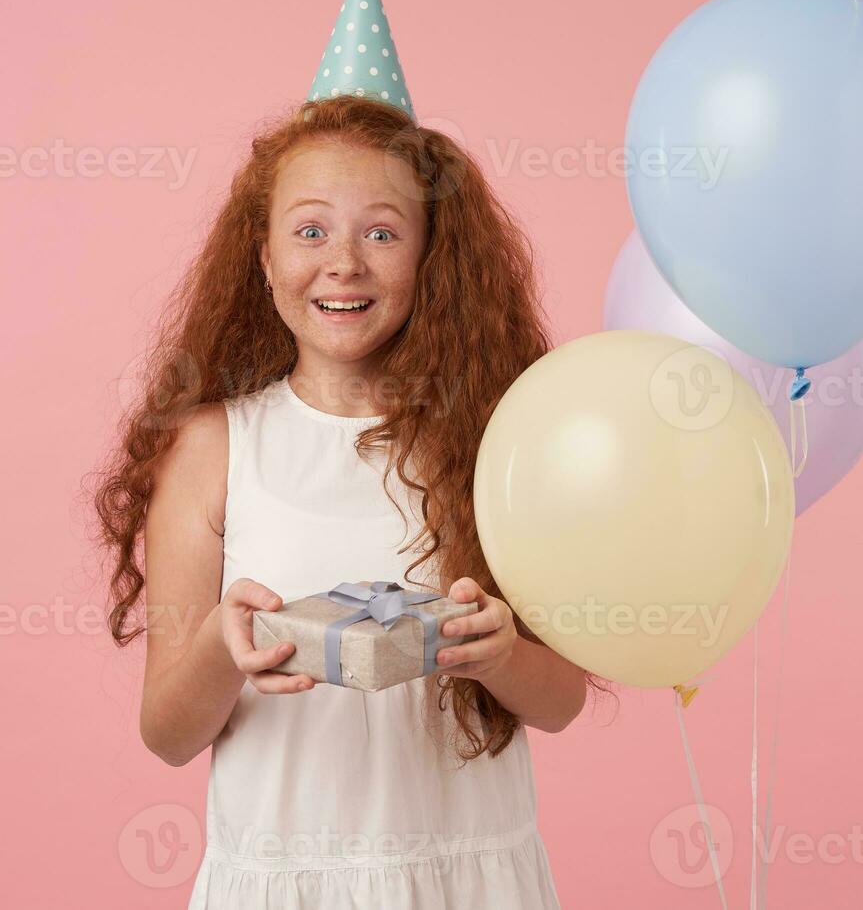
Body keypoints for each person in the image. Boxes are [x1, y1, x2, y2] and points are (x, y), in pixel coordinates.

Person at [92, 93, 608, 907]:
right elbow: (167, 733)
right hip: (285, 879)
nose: (343, 263)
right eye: (310, 230)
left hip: (466, 880)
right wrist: (225, 649)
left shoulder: (493, 443)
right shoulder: (211, 449)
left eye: (381, 232)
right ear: (262, 257)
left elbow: (563, 703)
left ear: (430, 256)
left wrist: (500, 653)